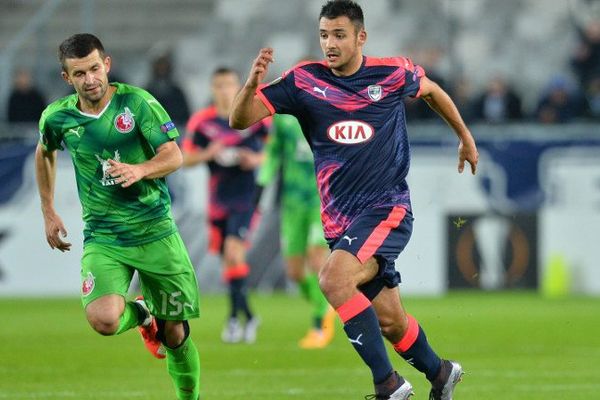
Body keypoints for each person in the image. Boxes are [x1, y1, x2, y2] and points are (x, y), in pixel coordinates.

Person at [229, 1, 479, 399]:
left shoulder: (392, 73)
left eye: (339, 35)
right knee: (391, 322)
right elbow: (240, 119)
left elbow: (432, 92)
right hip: (340, 223)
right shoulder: (304, 81)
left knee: (332, 278)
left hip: (387, 210)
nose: (330, 43)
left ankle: (388, 386)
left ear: (361, 37)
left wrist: (464, 136)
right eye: (324, 35)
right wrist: (250, 84)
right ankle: (442, 373)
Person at [35, 34, 200, 400]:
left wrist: (140, 170)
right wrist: (48, 210)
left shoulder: (138, 103)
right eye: (80, 73)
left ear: (106, 64)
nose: (90, 79)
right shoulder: (58, 116)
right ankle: (142, 315)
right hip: (104, 236)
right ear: (67, 78)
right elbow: (44, 151)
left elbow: (174, 155)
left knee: (174, 334)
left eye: (95, 68)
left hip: (155, 230)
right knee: (104, 320)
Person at [182, 67, 268, 344]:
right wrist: (210, 152)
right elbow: (185, 158)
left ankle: (232, 320)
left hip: (246, 198)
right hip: (217, 200)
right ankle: (249, 316)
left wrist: (253, 160)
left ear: (238, 87)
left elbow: (272, 152)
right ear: (212, 89)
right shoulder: (202, 121)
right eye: (219, 85)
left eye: (230, 84)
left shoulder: (253, 115)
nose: (225, 90)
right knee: (228, 261)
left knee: (234, 251)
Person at [258, 113, 336, 349]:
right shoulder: (282, 118)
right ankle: (325, 306)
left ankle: (319, 322)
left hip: (321, 199)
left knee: (315, 258)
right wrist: (261, 184)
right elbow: (273, 152)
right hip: (292, 203)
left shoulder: (327, 107)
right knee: (294, 271)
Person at [145, 53, 191, 128]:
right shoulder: (147, 92)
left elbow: (185, 118)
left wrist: (168, 127)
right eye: (159, 65)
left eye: (164, 66)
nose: (162, 69)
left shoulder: (177, 92)